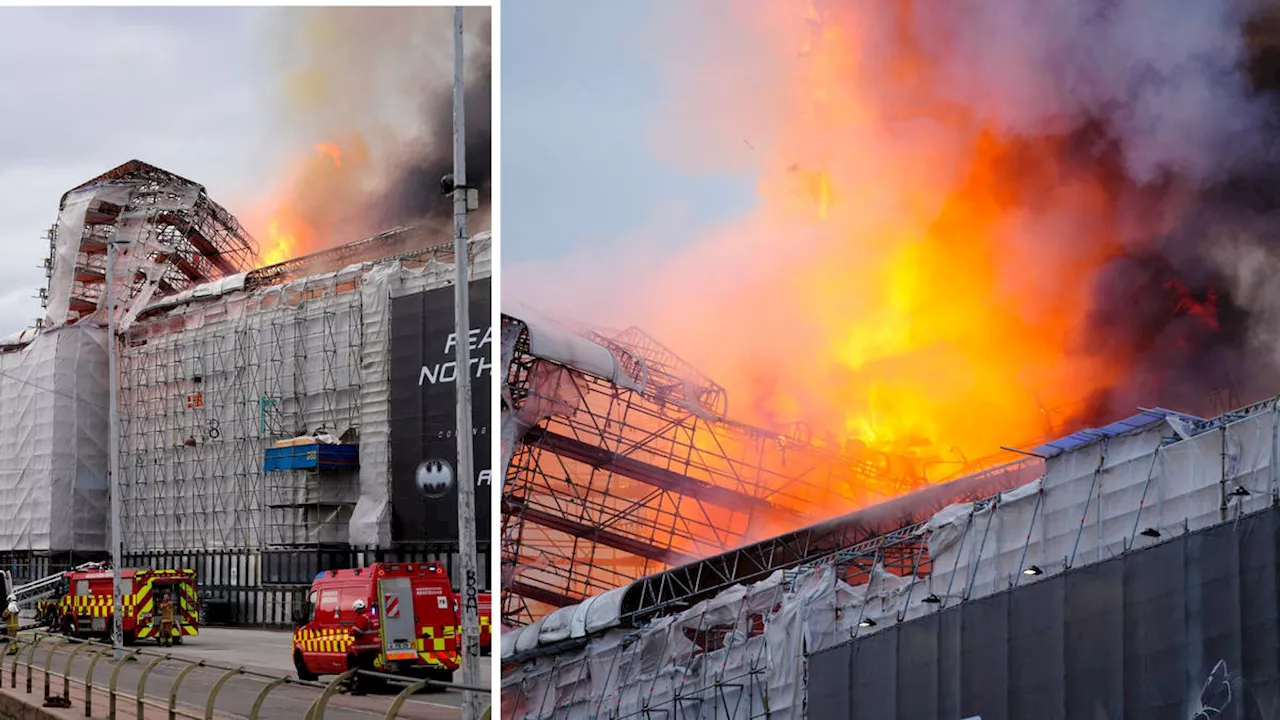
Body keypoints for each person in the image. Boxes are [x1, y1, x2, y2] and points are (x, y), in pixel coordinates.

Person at [348, 599, 373, 695]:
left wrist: (351, 632)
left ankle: (361, 689)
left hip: (364, 648)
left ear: (358, 609)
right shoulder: (373, 616)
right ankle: (369, 687)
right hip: (374, 647)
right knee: (370, 669)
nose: (356, 613)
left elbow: (355, 631)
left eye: (356, 611)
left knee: (362, 670)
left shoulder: (363, 618)